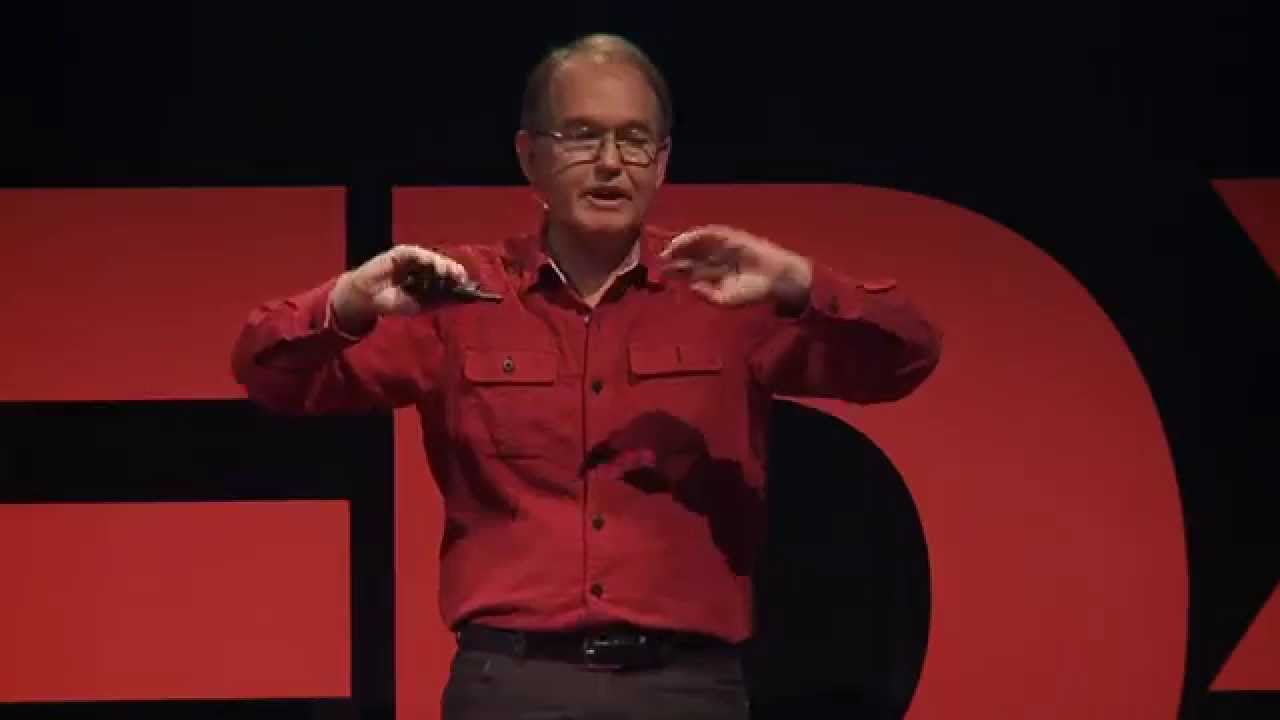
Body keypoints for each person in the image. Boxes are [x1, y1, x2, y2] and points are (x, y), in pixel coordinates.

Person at [232, 33, 942, 720]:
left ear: (661, 163)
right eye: (580, 136)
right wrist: (349, 301)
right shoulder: (457, 297)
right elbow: (270, 376)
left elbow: (904, 357)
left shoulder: (727, 293)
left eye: (634, 140)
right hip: (513, 688)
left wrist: (801, 283)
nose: (610, 163)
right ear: (530, 157)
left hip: (684, 691)